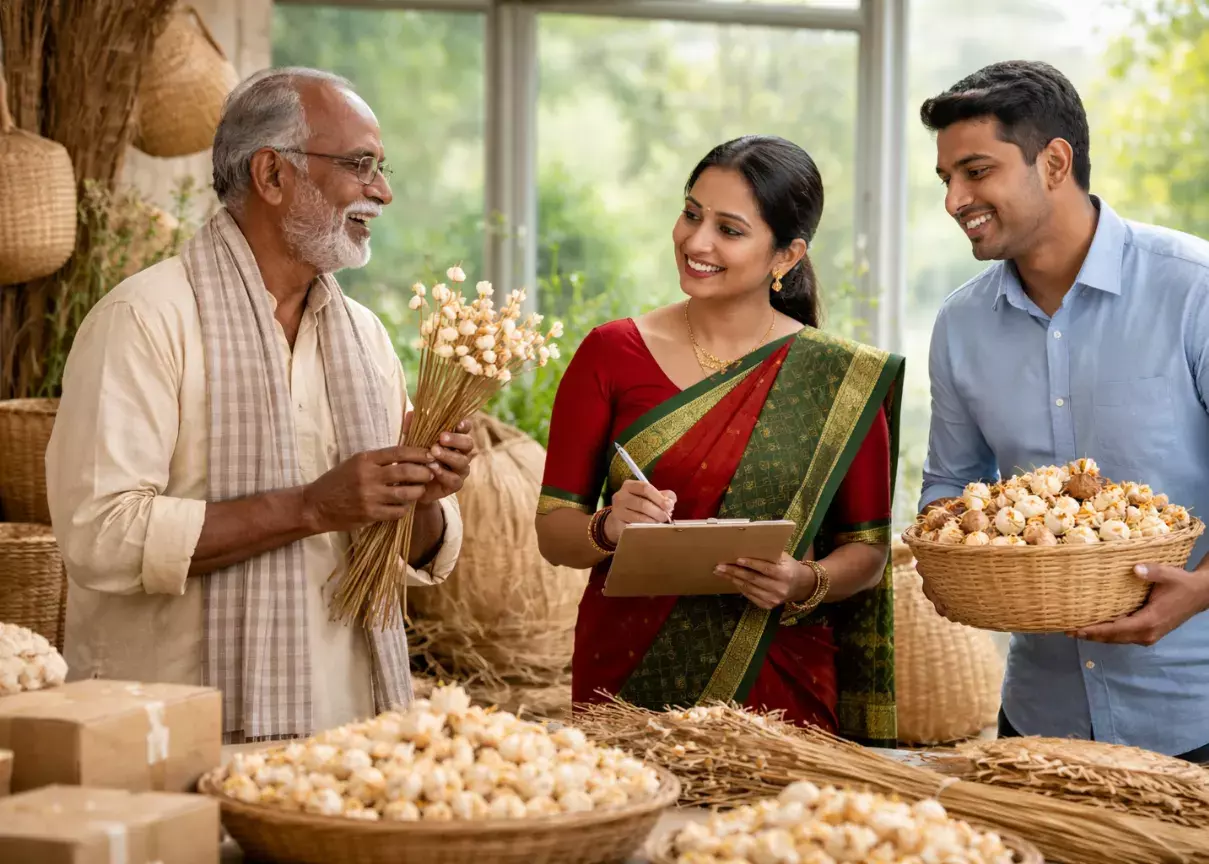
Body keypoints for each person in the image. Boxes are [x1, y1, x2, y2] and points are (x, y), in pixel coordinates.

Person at [46, 67, 474, 743]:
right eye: (360, 165)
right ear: (272, 175)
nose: (382, 192)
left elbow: (408, 552)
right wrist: (310, 506)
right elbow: (100, 536)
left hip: (348, 742)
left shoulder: (363, 337)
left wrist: (422, 491)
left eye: (383, 169)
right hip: (173, 734)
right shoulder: (145, 318)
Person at [535, 135, 905, 745]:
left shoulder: (835, 379)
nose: (696, 242)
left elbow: (865, 552)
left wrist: (802, 582)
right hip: (628, 676)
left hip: (779, 680)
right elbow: (554, 532)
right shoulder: (610, 353)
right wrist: (608, 528)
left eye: (729, 230)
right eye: (691, 213)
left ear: (786, 255)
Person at [918, 60, 1209, 760]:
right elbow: (947, 487)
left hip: (1192, 716)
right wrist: (948, 562)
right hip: (1037, 720)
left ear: (1053, 162)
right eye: (946, 180)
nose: (955, 199)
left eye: (976, 171)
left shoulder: (1192, 292)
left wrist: (1198, 592)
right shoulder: (960, 325)